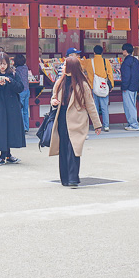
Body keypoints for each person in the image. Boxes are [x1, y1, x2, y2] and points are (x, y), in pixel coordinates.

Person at [48, 56, 102, 187]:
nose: (62, 67)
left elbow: (90, 105)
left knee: (73, 149)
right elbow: (53, 98)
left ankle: (73, 178)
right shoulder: (59, 82)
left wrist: (97, 124)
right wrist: (53, 102)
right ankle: (65, 178)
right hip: (61, 119)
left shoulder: (83, 85)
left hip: (77, 121)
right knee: (63, 148)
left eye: (65, 65)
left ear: (71, 67)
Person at [119, 44, 139, 132]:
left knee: (129, 106)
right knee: (132, 105)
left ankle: (134, 125)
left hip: (128, 87)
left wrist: (124, 86)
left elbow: (126, 76)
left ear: (125, 51)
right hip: (135, 86)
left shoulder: (126, 62)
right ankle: (131, 123)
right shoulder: (135, 60)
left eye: (123, 50)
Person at [14, 54, 31, 133]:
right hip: (27, 90)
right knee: (26, 110)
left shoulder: (17, 70)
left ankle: (22, 126)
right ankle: (27, 127)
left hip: (20, 91)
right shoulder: (26, 68)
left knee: (20, 109)